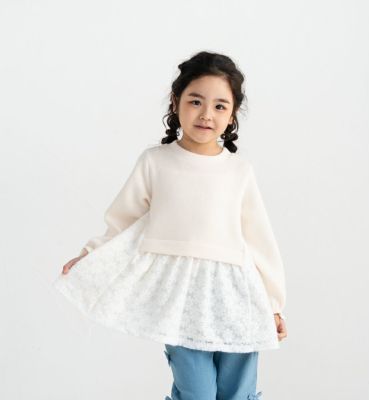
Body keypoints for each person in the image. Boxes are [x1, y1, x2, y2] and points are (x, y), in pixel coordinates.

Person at [54, 50, 288, 400]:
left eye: (220, 106)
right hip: (181, 300)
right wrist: (91, 255)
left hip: (238, 296)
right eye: (196, 101)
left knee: (238, 392)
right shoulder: (155, 162)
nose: (206, 114)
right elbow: (123, 219)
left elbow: (260, 240)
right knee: (197, 392)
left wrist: (273, 305)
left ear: (232, 115)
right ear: (176, 102)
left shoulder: (239, 171)